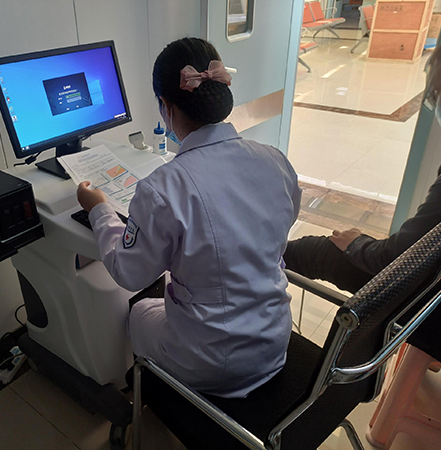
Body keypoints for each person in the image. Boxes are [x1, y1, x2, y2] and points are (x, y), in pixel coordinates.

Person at [77, 37, 301, 398]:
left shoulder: (162, 188)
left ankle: (131, 392)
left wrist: (99, 209)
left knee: (138, 310)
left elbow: (129, 273)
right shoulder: (275, 160)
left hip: (210, 362)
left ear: (166, 106)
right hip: (274, 341)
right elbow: (280, 225)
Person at [284, 24, 441, 381]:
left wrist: (357, 244)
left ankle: (251, 269)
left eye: (438, 91)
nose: (437, 102)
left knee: (322, 251)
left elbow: (402, 259)